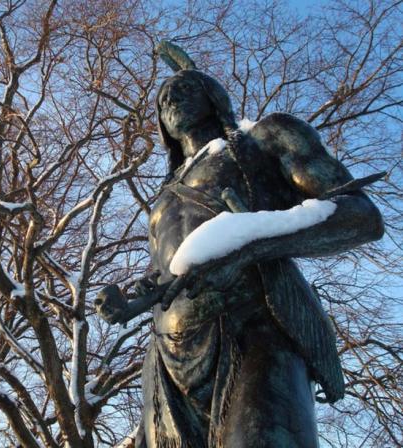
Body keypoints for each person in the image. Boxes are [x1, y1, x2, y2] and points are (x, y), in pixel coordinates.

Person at [126, 57, 384, 447]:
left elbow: (360, 216)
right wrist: (134, 295)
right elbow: (165, 271)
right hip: (168, 361)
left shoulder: (265, 140)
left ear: (214, 96)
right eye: (163, 100)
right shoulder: (163, 196)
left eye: (184, 89)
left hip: (256, 332)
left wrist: (250, 243)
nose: (171, 101)